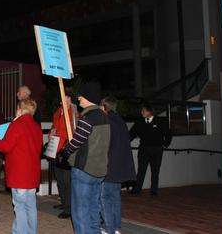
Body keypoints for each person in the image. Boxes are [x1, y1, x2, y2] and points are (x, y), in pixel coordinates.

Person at [58, 80, 110, 234]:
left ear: (88, 97)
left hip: (84, 169)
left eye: (81, 95)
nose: (78, 98)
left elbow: (76, 142)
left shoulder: (87, 118)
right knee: (93, 210)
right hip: (99, 169)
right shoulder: (103, 116)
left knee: (80, 212)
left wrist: (64, 152)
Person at [0, 98, 43, 234]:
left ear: (20, 109)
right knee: (31, 207)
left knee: (20, 207)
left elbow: (5, 146)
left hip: (19, 174)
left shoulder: (17, 125)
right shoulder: (36, 127)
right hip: (32, 174)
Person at [100, 96, 136, 234]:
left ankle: (110, 228)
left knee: (104, 198)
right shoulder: (121, 121)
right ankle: (115, 227)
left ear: (104, 107)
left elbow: (105, 145)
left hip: (109, 166)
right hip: (120, 166)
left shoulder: (107, 122)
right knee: (115, 198)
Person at [129, 103, 172, 196]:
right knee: (141, 170)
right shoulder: (139, 122)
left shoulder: (160, 121)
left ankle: (154, 191)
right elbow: (131, 134)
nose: (141, 112)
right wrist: (124, 142)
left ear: (149, 112)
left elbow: (168, 133)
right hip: (144, 149)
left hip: (157, 149)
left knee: (155, 170)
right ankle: (137, 189)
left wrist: (165, 144)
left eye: (143, 110)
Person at [48, 91, 76, 219]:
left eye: (68, 100)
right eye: (64, 100)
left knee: (66, 180)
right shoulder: (57, 113)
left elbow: (72, 131)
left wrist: (57, 132)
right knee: (59, 178)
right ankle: (64, 203)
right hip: (56, 149)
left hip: (66, 150)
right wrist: (52, 132)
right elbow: (54, 127)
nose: (65, 102)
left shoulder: (74, 114)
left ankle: (69, 208)